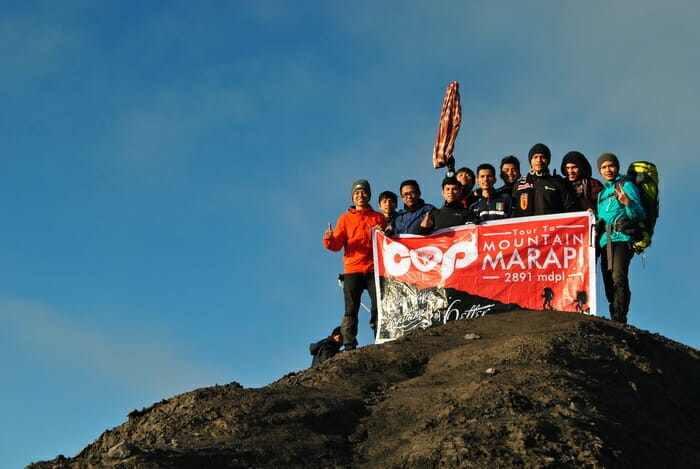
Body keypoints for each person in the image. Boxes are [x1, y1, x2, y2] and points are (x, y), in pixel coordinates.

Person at [323, 179, 386, 350]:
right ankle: (350, 344)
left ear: (369, 195)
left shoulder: (378, 217)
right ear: (352, 197)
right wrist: (329, 239)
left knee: (379, 305)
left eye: (364, 192)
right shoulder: (345, 219)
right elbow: (336, 245)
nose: (360, 195)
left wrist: (385, 232)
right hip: (352, 269)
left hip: (374, 268)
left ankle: (380, 338)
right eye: (357, 192)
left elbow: (388, 241)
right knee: (351, 309)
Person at [596, 152, 645, 324]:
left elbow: (640, 214)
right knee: (609, 282)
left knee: (618, 276)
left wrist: (627, 203)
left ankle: (619, 317)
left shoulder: (627, 185)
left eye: (611, 166)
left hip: (623, 238)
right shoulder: (601, 194)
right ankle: (614, 316)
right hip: (605, 241)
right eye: (603, 167)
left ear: (617, 167)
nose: (607, 170)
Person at [512, 143, 577, 217]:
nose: (539, 160)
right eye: (535, 157)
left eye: (542, 157)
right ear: (530, 160)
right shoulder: (520, 184)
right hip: (527, 227)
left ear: (548, 160)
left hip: (551, 227)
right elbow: (512, 213)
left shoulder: (557, 182)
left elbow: (570, 209)